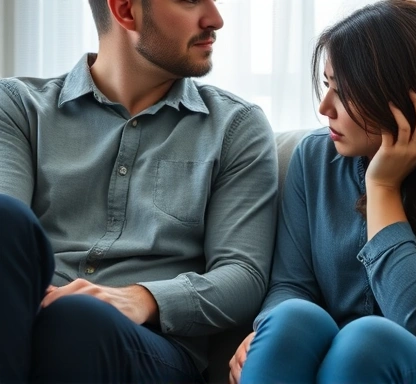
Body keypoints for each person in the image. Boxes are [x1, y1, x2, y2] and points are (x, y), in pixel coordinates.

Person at [229, 0, 416, 383]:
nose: (324, 107)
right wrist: (268, 331)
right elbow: (291, 285)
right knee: (292, 318)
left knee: (366, 341)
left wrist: (381, 186)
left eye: (344, 93)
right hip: (338, 364)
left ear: (407, 98)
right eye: (327, 85)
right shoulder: (314, 157)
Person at [0, 0, 278, 383]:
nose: (216, 19)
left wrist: (140, 298)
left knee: (76, 321)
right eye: (191, 1)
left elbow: (243, 275)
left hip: (149, 347)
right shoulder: (17, 107)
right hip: (24, 318)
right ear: (127, 10)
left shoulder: (235, 127)